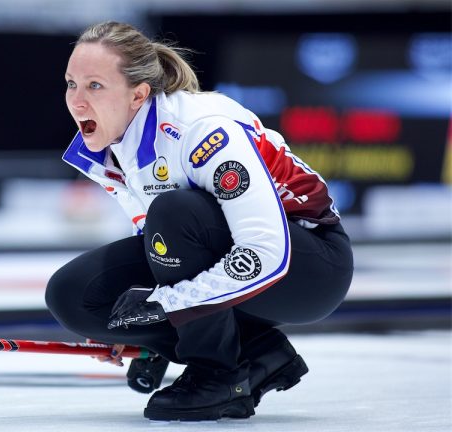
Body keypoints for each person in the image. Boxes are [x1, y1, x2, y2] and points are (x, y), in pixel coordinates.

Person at [45, 21, 354, 422]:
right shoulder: (110, 148)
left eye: (95, 86)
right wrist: (153, 333)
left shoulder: (202, 132)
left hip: (312, 267)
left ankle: (218, 375)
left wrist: (164, 306)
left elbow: (266, 251)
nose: (77, 101)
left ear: (138, 94)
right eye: (71, 84)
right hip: (227, 250)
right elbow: (156, 242)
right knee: (75, 296)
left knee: (175, 213)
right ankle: (260, 353)